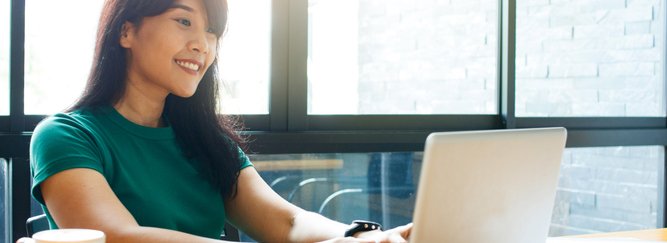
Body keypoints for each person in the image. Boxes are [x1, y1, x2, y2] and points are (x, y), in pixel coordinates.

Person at [19, 0, 412, 242]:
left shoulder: (207, 142)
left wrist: (358, 236)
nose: (202, 45)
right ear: (126, 30)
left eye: (212, 31)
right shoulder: (66, 136)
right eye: (184, 21)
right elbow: (118, 238)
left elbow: (288, 223)